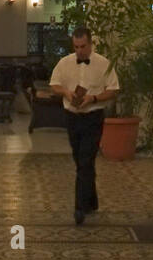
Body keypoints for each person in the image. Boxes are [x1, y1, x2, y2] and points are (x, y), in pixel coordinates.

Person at [49, 26, 119, 225]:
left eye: (83, 46)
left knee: (86, 160)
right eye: (76, 47)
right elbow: (54, 84)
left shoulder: (103, 64)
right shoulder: (64, 63)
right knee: (80, 160)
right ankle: (91, 201)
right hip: (72, 117)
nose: (79, 50)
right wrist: (66, 93)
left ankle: (79, 208)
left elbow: (113, 89)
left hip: (93, 117)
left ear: (91, 43)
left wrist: (94, 98)